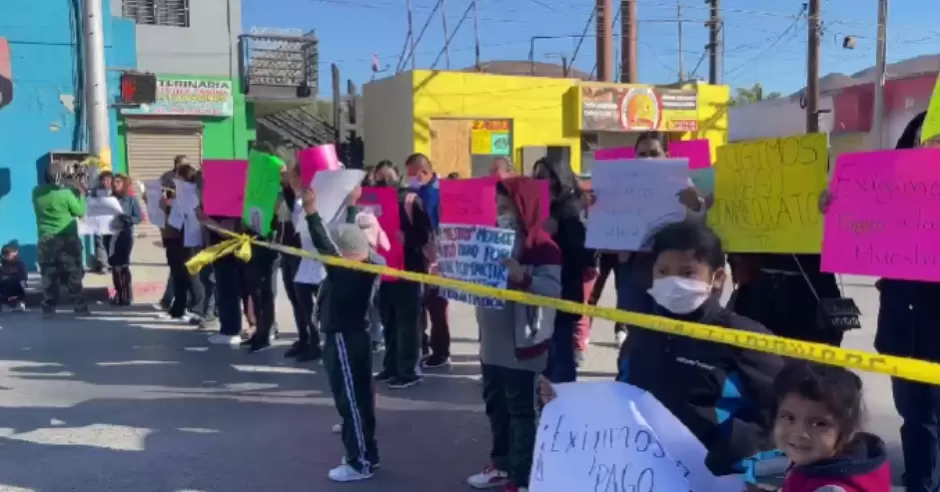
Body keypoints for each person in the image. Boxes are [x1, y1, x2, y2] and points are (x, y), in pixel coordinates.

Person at [829, 111, 940, 492]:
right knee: (916, 417)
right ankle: (919, 483)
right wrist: (834, 207)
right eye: (923, 140)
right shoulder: (888, 198)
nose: (930, 148)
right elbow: (855, 227)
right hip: (902, 331)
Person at [466, 177, 562, 492]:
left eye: (507, 207)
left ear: (525, 208)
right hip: (492, 340)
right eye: (497, 205)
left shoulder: (543, 246)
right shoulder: (486, 238)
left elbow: (551, 290)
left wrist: (522, 278)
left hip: (524, 343)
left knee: (521, 409)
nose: (500, 212)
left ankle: (523, 476)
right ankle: (501, 462)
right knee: (495, 404)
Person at [301, 186, 382, 483]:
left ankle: (359, 461)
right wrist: (350, 206)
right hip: (352, 338)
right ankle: (366, 453)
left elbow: (326, 245)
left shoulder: (347, 271)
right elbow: (342, 240)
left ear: (345, 253)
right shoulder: (361, 263)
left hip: (345, 340)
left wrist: (310, 211)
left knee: (352, 403)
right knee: (358, 401)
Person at [773, 361, 890, 491]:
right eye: (788, 417)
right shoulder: (816, 462)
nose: (799, 433)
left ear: (847, 430)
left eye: (819, 424)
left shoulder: (832, 488)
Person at [372, 159, 435, 388]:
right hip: (384, 271)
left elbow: (427, 233)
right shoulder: (372, 203)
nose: (384, 182)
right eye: (380, 178)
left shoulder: (411, 200)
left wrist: (407, 239)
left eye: (388, 177)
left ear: (398, 176)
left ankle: (409, 370)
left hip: (409, 270)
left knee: (407, 323)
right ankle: (391, 366)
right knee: (388, 321)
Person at [532, 156, 595, 382]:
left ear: (557, 178)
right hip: (545, 285)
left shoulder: (570, 207)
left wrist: (557, 233)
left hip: (564, 287)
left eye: (543, 177)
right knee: (549, 349)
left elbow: (583, 254)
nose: (538, 182)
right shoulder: (544, 205)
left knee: (561, 351)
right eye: (535, 176)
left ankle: (564, 398)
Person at [404, 153, 451, 369]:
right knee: (421, 302)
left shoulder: (438, 193)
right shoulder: (418, 191)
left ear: (424, 172)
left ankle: (440, 351)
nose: (410, 179)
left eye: (413, 175)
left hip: (437, 254)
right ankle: (422, 345)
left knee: (437, 304)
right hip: (419, 253)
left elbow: (437, 223)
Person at [33, 161, 89, 317]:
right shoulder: (66, 194)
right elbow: (80, 211)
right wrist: (81, 194)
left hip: (45, 239)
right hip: (67, 238)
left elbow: (51, 191)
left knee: (49, 274)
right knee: (73, 273)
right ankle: (79, 306)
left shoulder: (36, 192)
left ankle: (49, 307)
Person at [279, 163, 322, 361]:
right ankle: (305, 339)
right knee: (298, 300)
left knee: (311, 304)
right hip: (294, 254)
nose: (291, 180)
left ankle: (316, 342)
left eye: (293, 177)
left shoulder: (312, 199)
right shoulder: (297, 199)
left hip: (312, 259)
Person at [160, 164, 205, 322]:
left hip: (190, 239)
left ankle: (198, 308)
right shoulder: (179, 194)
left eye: (178, 176)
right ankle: (178, 309)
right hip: (178, 238)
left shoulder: (191, 193)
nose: (175, 179)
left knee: (191, 274)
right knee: (178, 274)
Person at [105, 174, 141, 306]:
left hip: (125, 235)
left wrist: (128, 220)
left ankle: (127, 294)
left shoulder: (131, 200)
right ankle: (119, 294)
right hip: (110, 236)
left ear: (124, 184)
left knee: (123, 266)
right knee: (114, 267)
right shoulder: (109, 199)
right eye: (114, 182)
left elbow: (139, 217)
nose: (115, 184)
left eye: (118, 182)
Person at [90, 171, 113, 274]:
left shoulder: (116, 190)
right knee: (100, 243)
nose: (105, 182)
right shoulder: (96, 191)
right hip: (100, 220)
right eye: (103, 180)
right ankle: (104, 265)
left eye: (108, 179)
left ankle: (112, 263)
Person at [0, 242, 27, 311]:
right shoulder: (2, 264)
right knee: (5, 282)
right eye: (13, 256)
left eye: (16, 255)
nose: (16, 257)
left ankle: (20, 303)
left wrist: (23, 281)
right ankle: (4, 304)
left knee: (20, 284)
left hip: (17, 284)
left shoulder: (20, 263)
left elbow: (23, 276)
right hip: (4, 285)